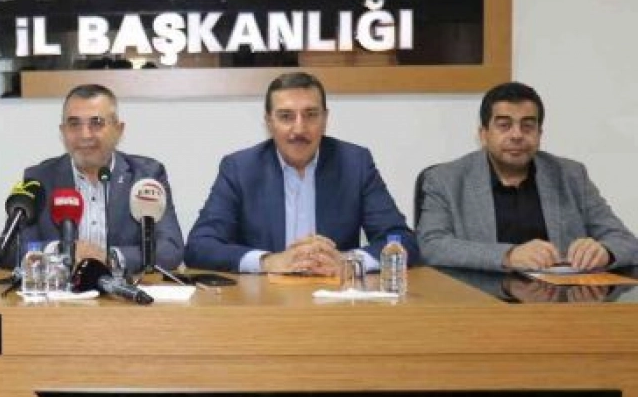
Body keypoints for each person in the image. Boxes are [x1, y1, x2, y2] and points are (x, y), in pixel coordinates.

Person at [185, 72, 417, 274]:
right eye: (286, 116)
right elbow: (200, 246)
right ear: (269, 122)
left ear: (325, 119)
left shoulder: (354, 163)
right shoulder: (240, 168)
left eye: (311, 114)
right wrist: (268, 261)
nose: (299, 128)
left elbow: (402, 240)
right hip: (265, 300)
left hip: (335, 298)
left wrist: (348, 261)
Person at [418, 81, 638, 271]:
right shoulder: (446, 180)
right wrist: (508, 256)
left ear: (540, 134)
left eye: (528, 126)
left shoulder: (571, 176)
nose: (517, 135)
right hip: (483, 301)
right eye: (504, 125)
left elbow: (626, 241)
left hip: (562, 302)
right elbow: (431, 245)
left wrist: (604, 251)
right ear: (483, 134)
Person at [0, 83, 184, 273]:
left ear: (119, 130)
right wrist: (61, 251)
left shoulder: (145, 175)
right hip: (62, 290)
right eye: (74, 124)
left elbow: (170, 249)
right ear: (63, 131)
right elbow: (9, 251)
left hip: (124, 290)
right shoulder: (39, 179)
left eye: (96, 123)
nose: (85, 135)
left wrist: (109, 257)